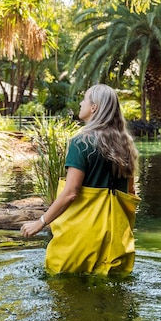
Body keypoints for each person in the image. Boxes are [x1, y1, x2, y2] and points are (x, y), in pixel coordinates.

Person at [20, 84, 140, 275]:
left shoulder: (81, 142)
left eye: (85, 99)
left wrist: (40, 222)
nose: (81, 103)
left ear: (94, 107)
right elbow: (131, 194)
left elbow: (71, 193)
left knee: (65, 293)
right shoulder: (126, 145)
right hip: (116, 241)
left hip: (81, 241)